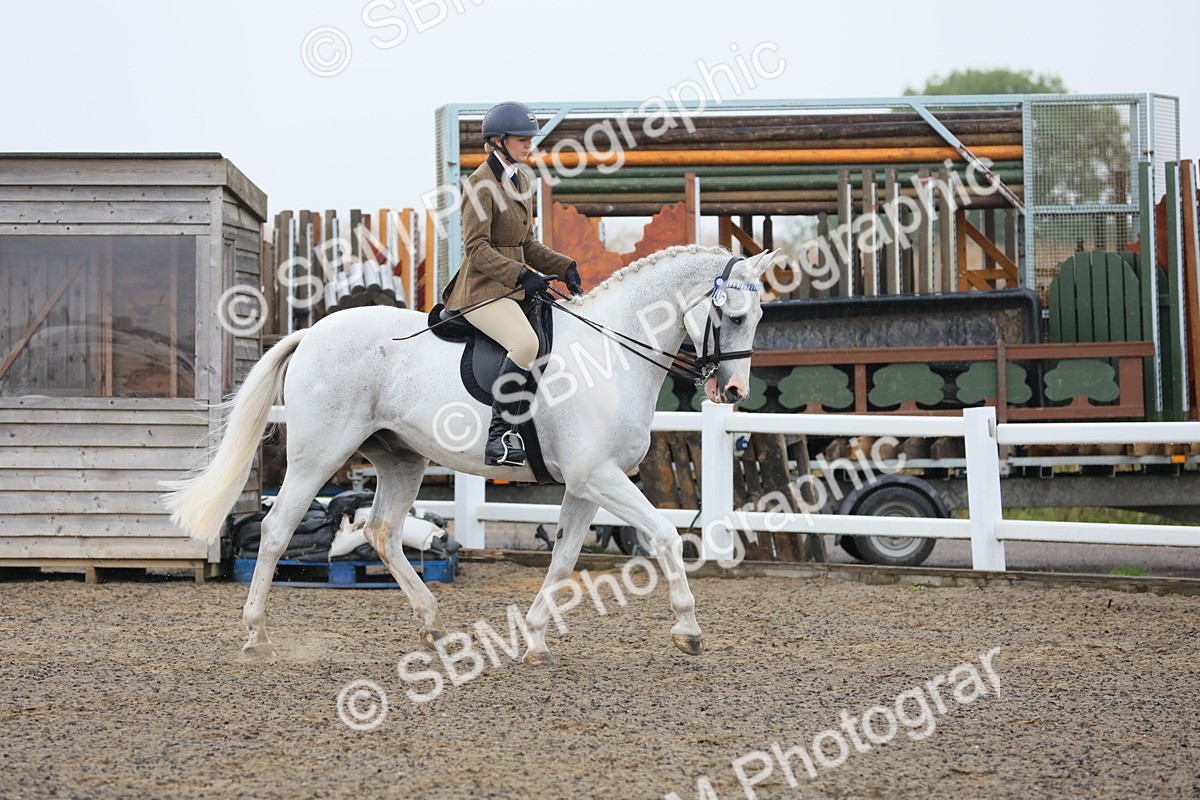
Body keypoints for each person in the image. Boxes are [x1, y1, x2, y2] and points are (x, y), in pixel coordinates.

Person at [441, 101, 584, 466]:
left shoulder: (521, 180)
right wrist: (520, 275)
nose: (529, 145)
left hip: (511, 286)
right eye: (523, 139)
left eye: (529, 139)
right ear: (499, 140)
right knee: (525, 343)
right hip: (481, 289)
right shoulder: (479, 185)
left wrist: (564, 266)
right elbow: (476, 248)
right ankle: (500, 437)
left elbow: (527, 245)